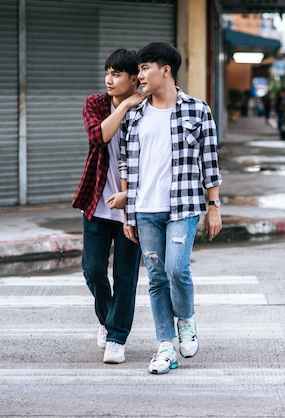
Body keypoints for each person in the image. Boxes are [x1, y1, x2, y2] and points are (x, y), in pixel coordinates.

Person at [118, 41, 223, 375]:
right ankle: (165, 347)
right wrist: (127, 211)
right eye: (138, 69)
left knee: (178, 270)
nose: (139, 75)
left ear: (166, 70)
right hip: (145, 209)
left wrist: (214, 205)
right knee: (156, 278)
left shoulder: (197, 109)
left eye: (145, 68)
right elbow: (124, 165)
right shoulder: (134, 113)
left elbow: (210, 161)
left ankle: (187, 320)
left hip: (184, 206)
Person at [71, 48, 145, 365]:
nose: (109, 79)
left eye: (116, 74)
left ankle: (116, 337)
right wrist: (126, 104)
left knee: (126, 277)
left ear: (133, 78)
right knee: (93, 271)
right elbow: (98, 136)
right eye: (107, 72)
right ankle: (107, 318)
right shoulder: (96, 104)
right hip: (98, 204)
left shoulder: (149, 110)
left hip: (134, 206)